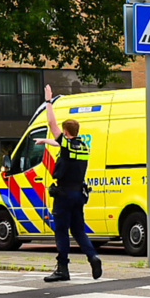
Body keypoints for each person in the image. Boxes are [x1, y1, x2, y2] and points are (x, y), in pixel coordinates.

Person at [36, 85, 102, 283]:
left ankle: (62, 268)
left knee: (62, 232)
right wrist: (46, 141)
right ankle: (92, 256)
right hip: (78, 195)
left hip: (63, 195)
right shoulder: (83, 147)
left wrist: (48, 101)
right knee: (79, 230)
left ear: (65, 131)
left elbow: (51, 123)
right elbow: (62, 144)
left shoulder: (66, 144)